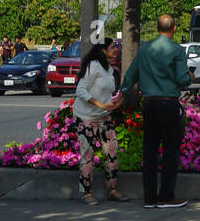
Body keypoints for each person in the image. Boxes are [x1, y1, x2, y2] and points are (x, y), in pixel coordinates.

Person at [121, 14, 191, 209]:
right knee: (170, 151)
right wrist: (189, 76)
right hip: (169, 103)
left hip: (149, 103)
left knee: (149, 151)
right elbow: (181, 78)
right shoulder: (176, 50)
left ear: (158, 28)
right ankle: (166, 196)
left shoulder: (145, 50)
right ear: (174, 28)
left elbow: (130, 76)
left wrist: (122, 92)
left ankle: (149, 198)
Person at [72, 43, 125, 204]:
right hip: (85, 117)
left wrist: (117, 101)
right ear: (103, 50)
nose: (116, 50)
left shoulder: (110, 70)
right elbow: (80, 90)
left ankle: (112, 189)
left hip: (104, 117)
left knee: (112, 152)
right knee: (87, 155)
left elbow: (109, 95)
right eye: (112, 48)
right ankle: (86, 193)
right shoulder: (93, 66)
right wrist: (100, 105)